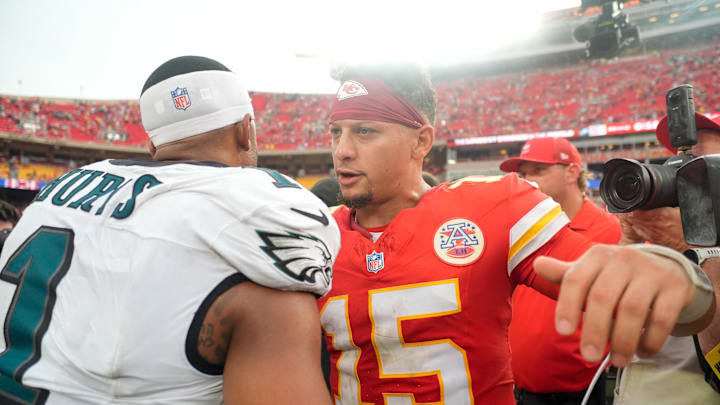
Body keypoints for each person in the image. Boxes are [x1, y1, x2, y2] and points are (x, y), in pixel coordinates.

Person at [317, 63, 714, 404]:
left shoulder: (494, 205)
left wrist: (669, 276)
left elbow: (639, 294)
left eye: (365, 131)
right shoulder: (312, 232)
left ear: (421, 140)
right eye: (337, 132)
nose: (342, 151)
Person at [0, 56, 340, 405]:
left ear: (153, 146)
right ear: (245, 129)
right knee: (277, 303)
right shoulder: (264, 207)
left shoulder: (54, 195)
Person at [500, 137, 621, 405]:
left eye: (539, 171)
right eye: (524, 173)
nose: (528, 180)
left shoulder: (611, 229)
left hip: (577, 390)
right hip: (517, 387)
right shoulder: (519, 228)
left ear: (572, 172)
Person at [612, 112, 720, 404]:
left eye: (701, 167)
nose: (686, 179)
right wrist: (630, 243)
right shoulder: (661, 238)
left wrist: (692, 247)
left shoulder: (677, 236)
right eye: (678, 165)